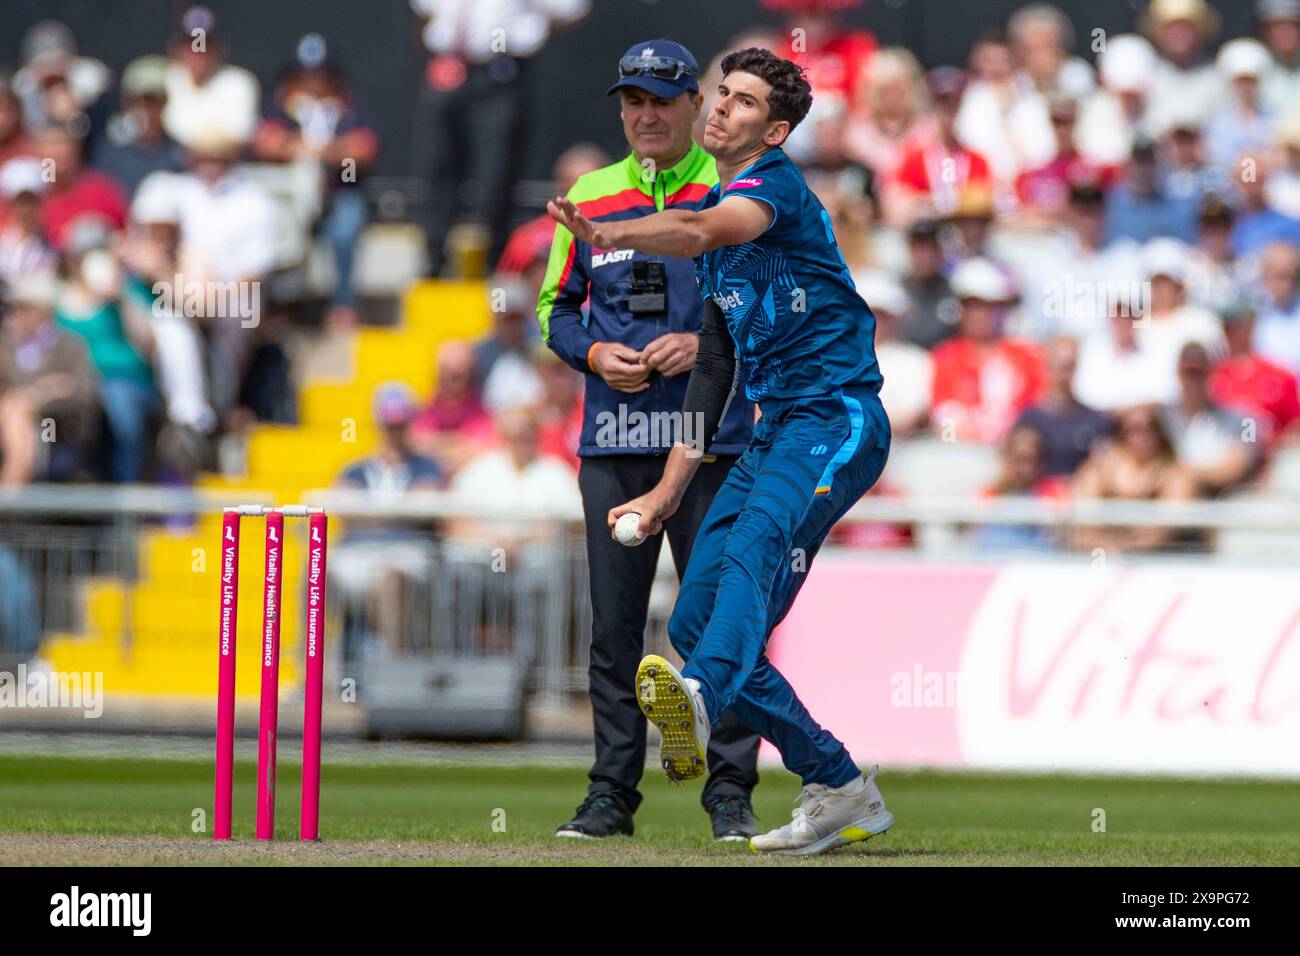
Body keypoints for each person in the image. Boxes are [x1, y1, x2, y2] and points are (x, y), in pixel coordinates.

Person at [550, 47, 894, 856]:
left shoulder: (768, 189)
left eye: (742, 103)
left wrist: (609, 234)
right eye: (723, 95)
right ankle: (838, 782)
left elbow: (701, 228)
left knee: (748, 565)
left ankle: (700, 696)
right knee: (700, 619)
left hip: (835, 418)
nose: (722, 109)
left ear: (773, 130)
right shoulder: (714, 208)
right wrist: (668, 492)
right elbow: (714, 363)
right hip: (774, 430)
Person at [537, 40, 760, 843]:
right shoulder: (588, 196)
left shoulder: (732, 190)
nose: (645, 115)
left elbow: (765, 310)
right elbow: (553, 310)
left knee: (720, 623)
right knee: (613, 628)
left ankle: (730, 793)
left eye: (662, 100)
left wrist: (703, 348)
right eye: (632, 100)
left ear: (696, 107)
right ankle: (610, 796)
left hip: (711, 441)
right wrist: (593, 354)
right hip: (615, 437)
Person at [410, 0, 590, 276]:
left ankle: (492, 264)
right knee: (437, 164)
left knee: (496, 170)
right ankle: (434, 261)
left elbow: (570, 10)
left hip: (500, 71)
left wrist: (530, 31)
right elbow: (423, 11)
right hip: (447, 67)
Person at [253, 34, 380, 330]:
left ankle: (343, 304)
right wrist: (302, 147)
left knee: (347, 224)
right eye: (306, 75)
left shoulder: (350, 110)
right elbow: (265, 142)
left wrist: (319, 150)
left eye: (321, 75)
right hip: (287, 199)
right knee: (272, 230)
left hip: (337, 195)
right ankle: (277, 305)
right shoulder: (279, 108)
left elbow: (365, 148)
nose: (314, 82)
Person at [331, 383, 443, 659]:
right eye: (389, 425)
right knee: (314, 575)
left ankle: (391, 672)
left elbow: (427, 508)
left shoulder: (427, 466)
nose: (394, 432)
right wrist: (400, 512)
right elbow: (342, 507)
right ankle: (309, 677)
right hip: (357, 556)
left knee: (390, 580)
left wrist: (369, 512)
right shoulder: (355, 468)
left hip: (405, 555)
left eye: (400, 425)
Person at [1013, 336, 1113, 477]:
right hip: (1039, 496)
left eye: (1072, 367)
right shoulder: (1029, 420)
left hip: (1080, 494)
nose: (1068, 375)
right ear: (1047, 368)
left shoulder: (1096, 421)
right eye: (1063, 367)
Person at [90, 56, 186, 198]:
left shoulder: (182, 155)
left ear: (166, 103)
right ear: (125, 103)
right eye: (135, 102)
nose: (144, 109)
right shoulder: (107, 154)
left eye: (152, 101)